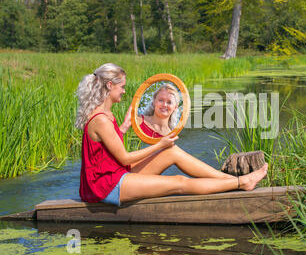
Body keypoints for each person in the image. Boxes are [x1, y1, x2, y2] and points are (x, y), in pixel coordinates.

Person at [75, 63, 268, 207]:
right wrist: (159, 145)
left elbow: (106, 151)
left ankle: (225, 180)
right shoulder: (100, 118)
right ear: (109, 85)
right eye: (122, 87)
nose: (124, 91)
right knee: (178, 182)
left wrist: (124, 128)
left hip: (114, 173)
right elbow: (124, 157)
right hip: (105, 186)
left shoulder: (106, 114)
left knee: (172, 152)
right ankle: (241, 182)